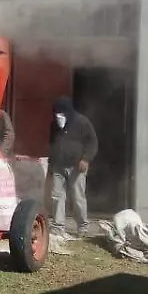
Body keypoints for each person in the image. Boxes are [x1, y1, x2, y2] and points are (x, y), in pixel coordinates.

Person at [47, 95, 98, 242]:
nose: (59, 115)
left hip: (77, 166)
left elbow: (92, 142)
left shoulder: (82, 122)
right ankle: (58, 226)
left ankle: (82, 226)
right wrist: (51, 163)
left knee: (78, 197)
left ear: (68, 111)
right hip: (58, 165)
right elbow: (52, 143)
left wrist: (86, 159)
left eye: (61, 112)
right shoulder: (54, 125)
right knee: (57, 196)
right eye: (56, 112)